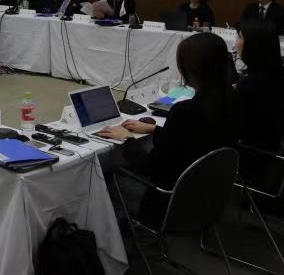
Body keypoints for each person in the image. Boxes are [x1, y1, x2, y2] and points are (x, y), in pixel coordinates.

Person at [97, 32, 242, 227]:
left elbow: (153, 169)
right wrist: (154, 129)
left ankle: (123, 234)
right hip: (211, 197)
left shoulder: (185, 112)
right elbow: (194, 141)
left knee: (103, 174)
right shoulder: (234, 100)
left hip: (169, 202)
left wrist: (127, 139)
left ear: (190, 69)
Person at [235, 21, 284, 151]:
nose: (236, 41)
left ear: (253, 45)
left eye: (240, 37)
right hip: (273, 143)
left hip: (252, 152)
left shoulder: (250, 85)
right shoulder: (278, 74)